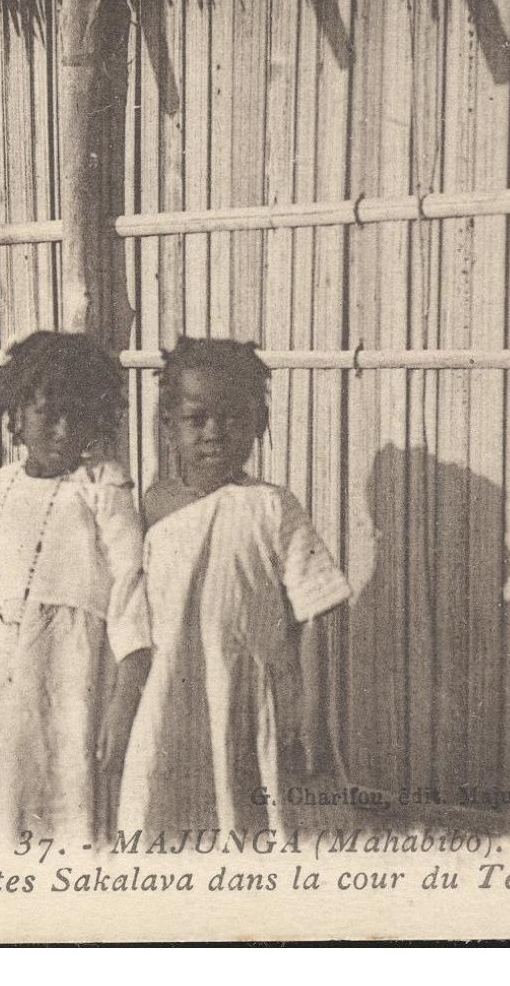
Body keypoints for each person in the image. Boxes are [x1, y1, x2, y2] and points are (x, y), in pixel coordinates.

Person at [118, 338, 350, 837]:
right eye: (196, 419)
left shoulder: (272, 507)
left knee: (257, 821)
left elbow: (315, 611)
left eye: (232, 419)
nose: (214, 434)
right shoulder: (154, 509)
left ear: (257, 424)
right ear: (168, 426)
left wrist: (313, 715)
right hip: (173, 694)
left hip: (250, 695)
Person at [0, 331, 150, 854]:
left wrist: (122, 701)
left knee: (69, 805)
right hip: (2, 678)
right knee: (3, 808)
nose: (64, 429)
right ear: (16, 414)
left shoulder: (103, 486)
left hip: (75, 677)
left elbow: (130, 595)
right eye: (48, 414)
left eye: (78, 415)